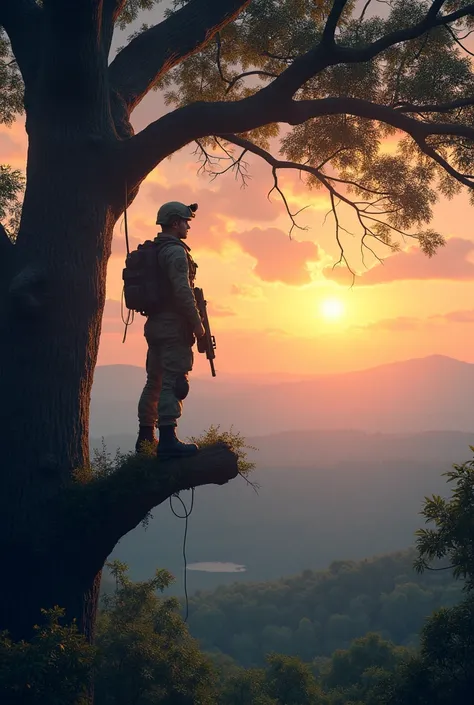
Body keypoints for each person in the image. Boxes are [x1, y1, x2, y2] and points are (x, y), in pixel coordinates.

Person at [135, 201, 205, 457]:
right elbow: (183, 291)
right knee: (174, 381)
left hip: (154, 324)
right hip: (172, 325)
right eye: (186, 221)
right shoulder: (175, 252)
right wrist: (198, 326)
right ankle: (167, 440)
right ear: (175, 223)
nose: (188, 226)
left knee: (153, 381)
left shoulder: (156, 250)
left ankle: (145, 440)